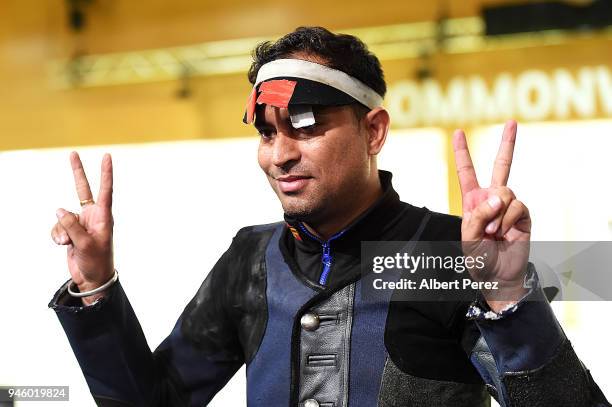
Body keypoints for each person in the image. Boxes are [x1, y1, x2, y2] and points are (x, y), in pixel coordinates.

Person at [49, 26, 610, 407]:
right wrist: (97, 287)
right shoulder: (250, 258)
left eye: (307, 124)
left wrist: (508, 297)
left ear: (374, 131)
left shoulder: (450, 253)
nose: (280, 153)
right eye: (267, 132)